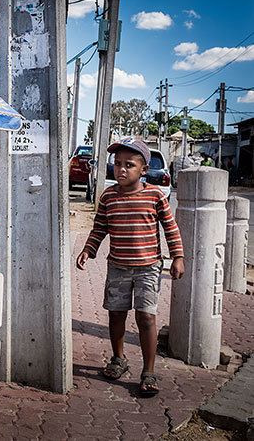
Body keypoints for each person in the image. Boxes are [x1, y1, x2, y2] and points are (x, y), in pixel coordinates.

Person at [76, 138, 185, 397]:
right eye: (117, 164)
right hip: (118, 267)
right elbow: (99, 228)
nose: (121, 169)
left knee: (146, 317)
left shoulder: (155, 195)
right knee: (116, 314)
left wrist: (178, 257)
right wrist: (88, 249)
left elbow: (170, 228)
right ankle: (119, 359)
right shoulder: (108, 196)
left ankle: (148, 370)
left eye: (129, 165)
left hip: (149, 268)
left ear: (143, 170)